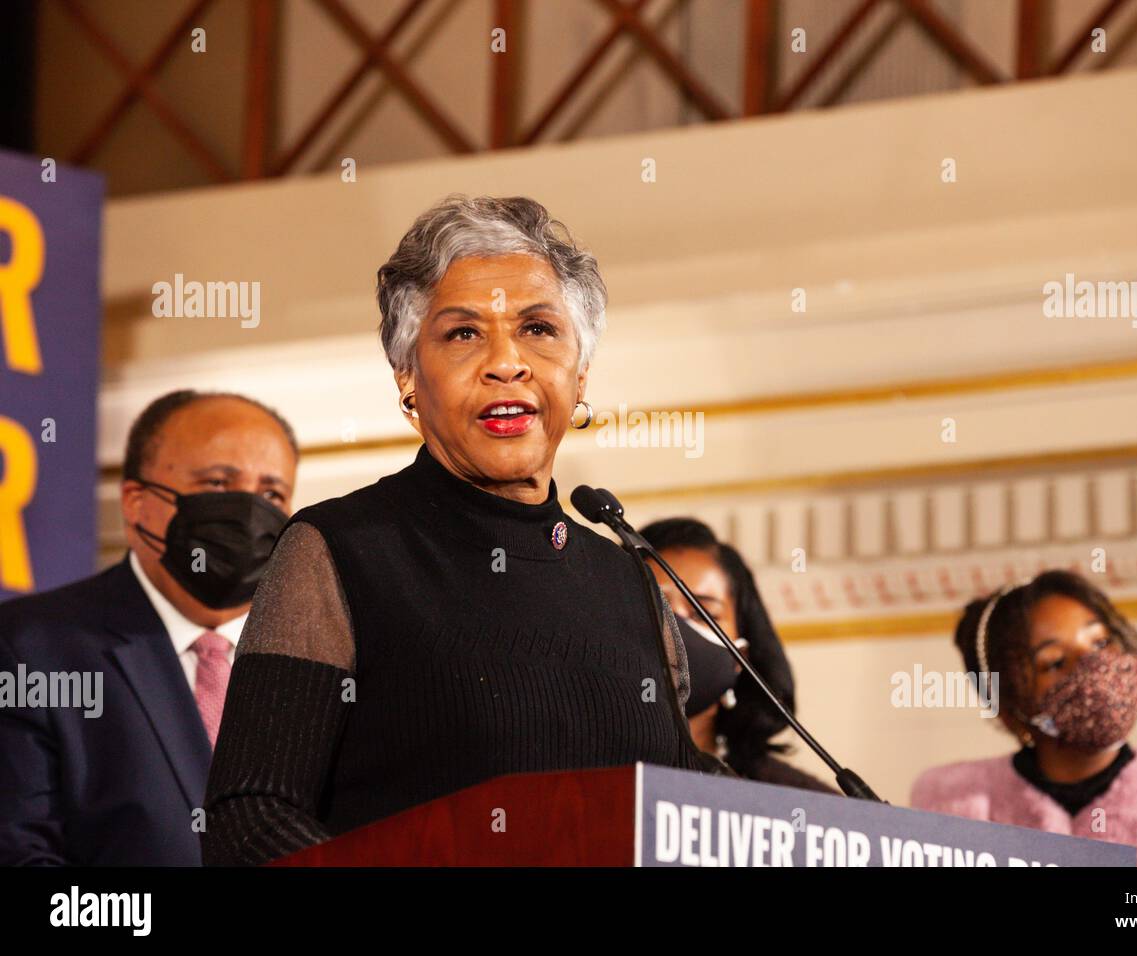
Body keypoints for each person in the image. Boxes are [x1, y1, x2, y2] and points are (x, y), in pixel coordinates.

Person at [201, 195, 720, 866]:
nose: (507, 363)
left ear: (581, 371)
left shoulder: (626, 577)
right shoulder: (338, 551)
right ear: (408, 377)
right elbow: (252, 816)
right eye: (464, 334)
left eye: (539, 328)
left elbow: (682, 800)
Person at [0, 390, 298, 865]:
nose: (248, 513)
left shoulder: (320, 662)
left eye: (271, 494)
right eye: (219, 483)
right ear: (136, 503)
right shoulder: (31, 648)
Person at [910, 569, 1137, 866]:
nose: (1094, 666)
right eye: (1055, 662)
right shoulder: (953, 805)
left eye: (1100, 643)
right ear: (1010, 705)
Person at [641, 517, 835, 793]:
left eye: (702, 613)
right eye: (654, 608)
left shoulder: (801, 800)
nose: (675, 628)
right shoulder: (572, 768)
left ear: (739, 656)